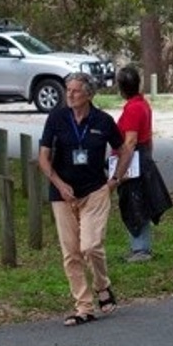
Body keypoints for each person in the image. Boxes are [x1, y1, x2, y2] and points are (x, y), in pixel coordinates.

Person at [38, 72, 131, 326]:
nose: (70, 94)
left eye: (76, 90)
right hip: (62, 194)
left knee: (90, 246)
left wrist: (115, 181)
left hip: (95, 191)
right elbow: (43, 158)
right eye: (68, 89)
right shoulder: (56, 118)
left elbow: (123, 151)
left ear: (89, 94)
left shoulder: (103, 120)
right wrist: (59, 183)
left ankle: (103, 285)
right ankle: (84, 306)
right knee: (71, 252)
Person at [115, 65, 156, 262]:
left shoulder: (133, 109)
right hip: (143, 156)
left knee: (134, 202)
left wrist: (120, 170)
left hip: (133, 160)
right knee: (137, 201)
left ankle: (141, 249)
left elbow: (130, 141)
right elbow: (149, 138)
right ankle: (139, 247)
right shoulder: (143, 104)